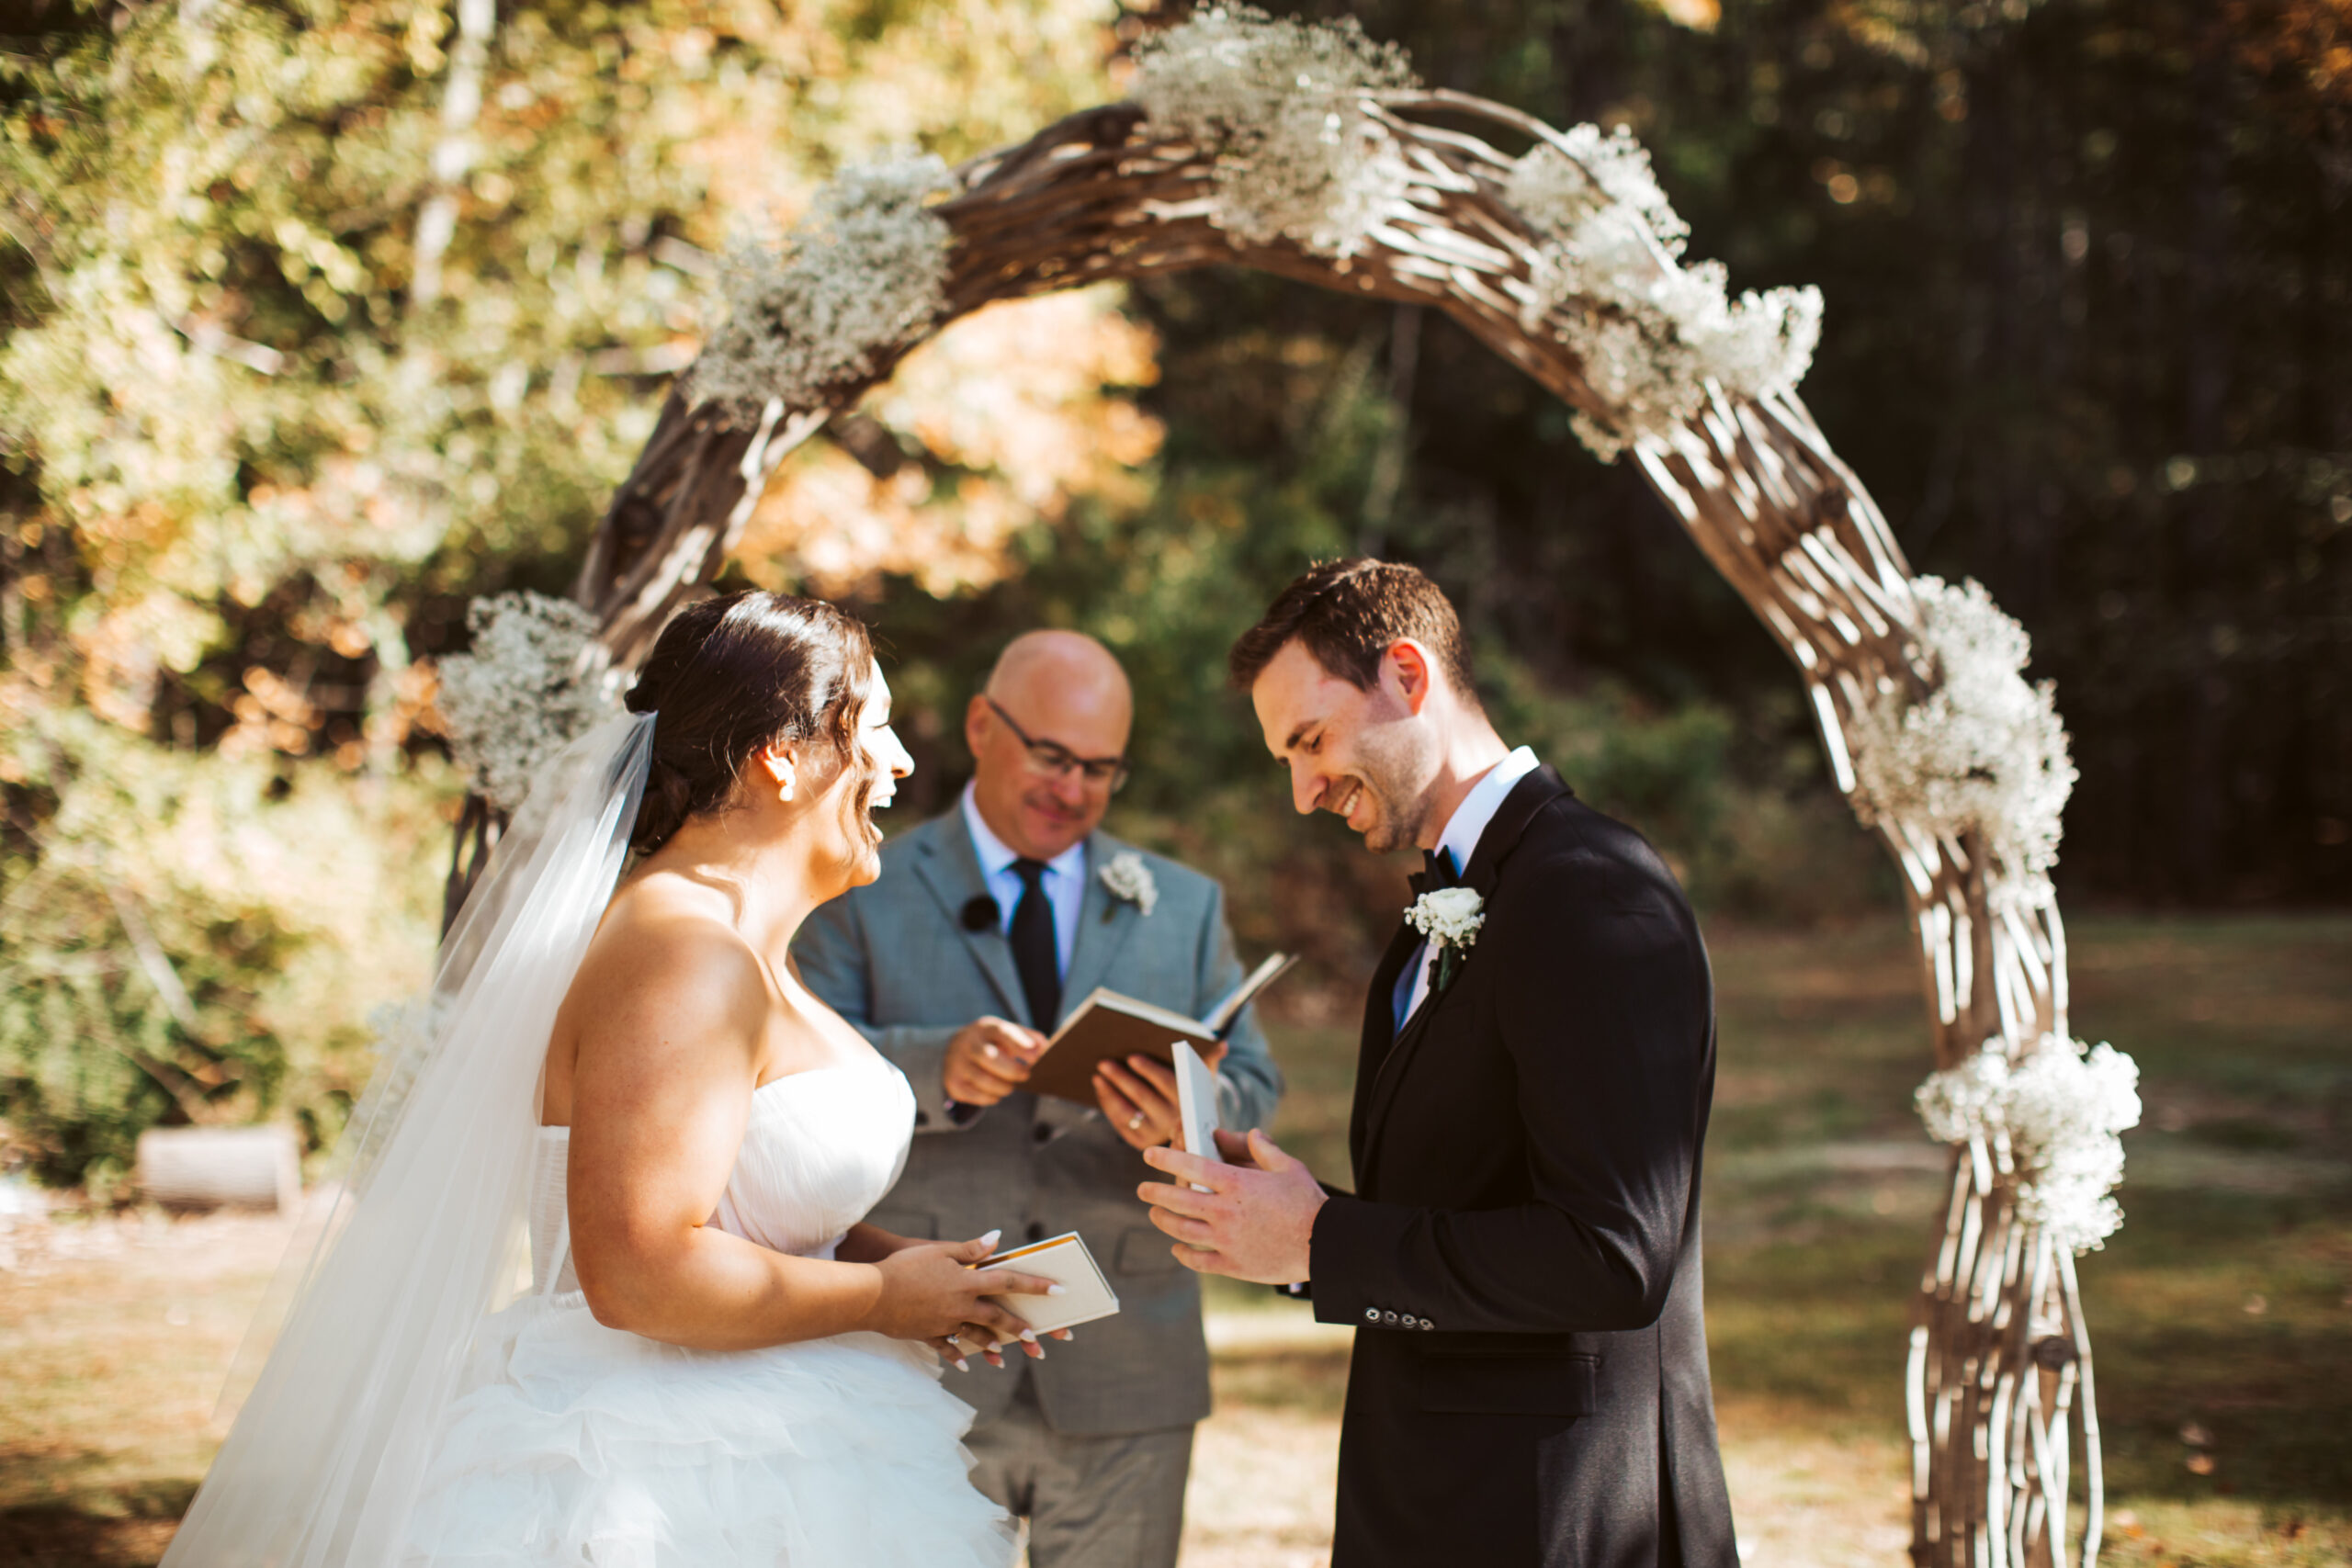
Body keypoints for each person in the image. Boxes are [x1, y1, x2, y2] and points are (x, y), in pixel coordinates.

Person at [164, 592, 1066, 1567]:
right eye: (874, 731)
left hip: (772, 1434)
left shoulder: (735, 944)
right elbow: (637, 1273)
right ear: (779, 753)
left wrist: (919, 1273)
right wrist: (882, 1299)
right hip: (657, 1472)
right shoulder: (681, 955)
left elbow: (738, 1205)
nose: (897, 764)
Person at [1137, 559, 1738, 1568]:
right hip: (1431, 1506)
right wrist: (1285, 1224)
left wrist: (1326, 1242)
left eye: (1310, 741)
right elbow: (1460, 1210)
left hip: (1558, 1518)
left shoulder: (1590, 892)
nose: (1301, 791)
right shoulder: (1431, 924)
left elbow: (1615, 1256)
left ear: (1408, 678)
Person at [794, 629, 1283, 1568]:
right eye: (1053, 756)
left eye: (1101, 769)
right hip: (922, 1357)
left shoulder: (1181, 906)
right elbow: (791, 1070)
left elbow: (1256, 1087)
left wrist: (1192, 1108)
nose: (1074, 788)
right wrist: (938, 1065)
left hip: (1128, 1368)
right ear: (982, 725)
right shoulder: (860, 883)